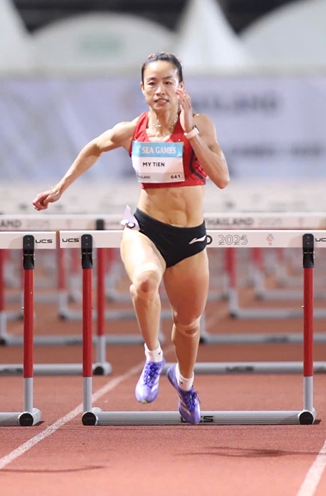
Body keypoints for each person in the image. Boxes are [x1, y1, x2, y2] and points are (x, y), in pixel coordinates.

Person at [32, 52, 230, 424]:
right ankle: (153, 357)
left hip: (189, 239)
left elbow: (222, 178)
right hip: (145, 228)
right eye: (153, 83)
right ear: (142, 89)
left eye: (168, 82)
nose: (160, 90)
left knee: (188, 325)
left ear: (181, 87)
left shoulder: (201, 124)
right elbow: (94, 147)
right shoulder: (132, 129)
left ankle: (185, 384)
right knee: (145, 281)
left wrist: (190, 132)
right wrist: (59, 188)